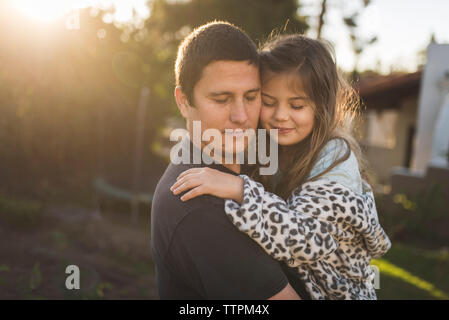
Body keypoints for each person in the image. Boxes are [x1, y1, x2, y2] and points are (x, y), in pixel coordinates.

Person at [171, 34, 392, 299]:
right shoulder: (274, 146)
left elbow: (307, 240)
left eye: (296, 105)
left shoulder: (335, 157)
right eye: (268, 101)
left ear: (321, 108)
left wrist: (240, 189)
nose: (280, 115)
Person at [151, 22, 307, 299]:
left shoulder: (250, 168)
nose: (241, 116)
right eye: (222, 99)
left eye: (251, 97)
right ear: (184, 101)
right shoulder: (200, 206)